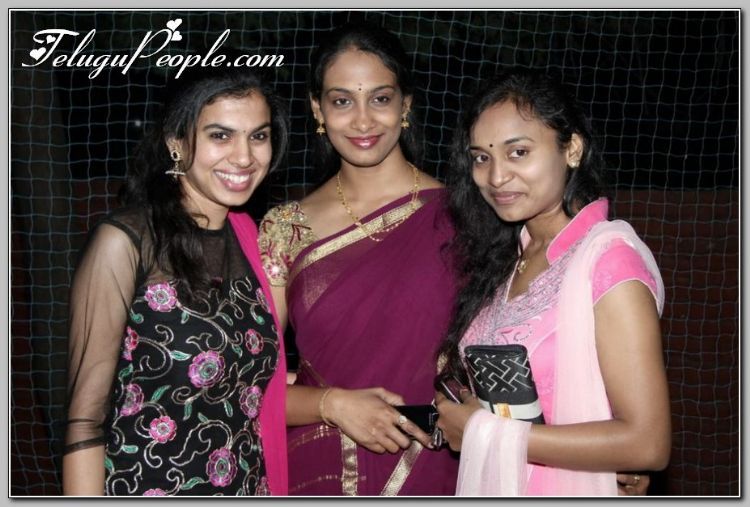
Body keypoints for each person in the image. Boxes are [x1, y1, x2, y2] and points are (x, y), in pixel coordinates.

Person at [435, 67, 671, 496]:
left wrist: (480, 430)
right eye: (481, 158)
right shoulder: (508, 260)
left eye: (518, 152)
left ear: (572, 149)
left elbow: (647, 443)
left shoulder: (608, 261)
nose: (496, 177)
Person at [62, 62, 290, 496]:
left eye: (258, 136)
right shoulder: (127, 243)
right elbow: (84, 423)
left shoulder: (251, 243)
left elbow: (247, 380)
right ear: (175, 143)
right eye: (220, 135)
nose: (244, 156)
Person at [257, 23, 460, 495]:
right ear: (318, 109)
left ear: (405, 105)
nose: (363, 121)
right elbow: (249, 384)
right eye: (342, 100)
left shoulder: (463, 217)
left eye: (381, 99)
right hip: (320, 469)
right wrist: (330, 404)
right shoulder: (285, 228)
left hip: (438, 463)